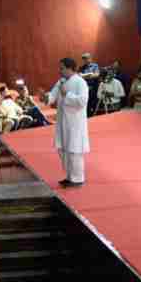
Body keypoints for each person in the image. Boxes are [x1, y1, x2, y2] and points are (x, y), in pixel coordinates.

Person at [47, 58, 89, 187]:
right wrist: (46, 98)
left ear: (70, 68)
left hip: (75, 123)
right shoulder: (61, 82)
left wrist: (67, 95)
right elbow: (53, 95)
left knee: (74, 150)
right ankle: (69, 176)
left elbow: (82, 101)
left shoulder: (80, 82)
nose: (60, 70)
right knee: (63, 149)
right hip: (62, 122)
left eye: (62, 68)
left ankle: (77, 179)